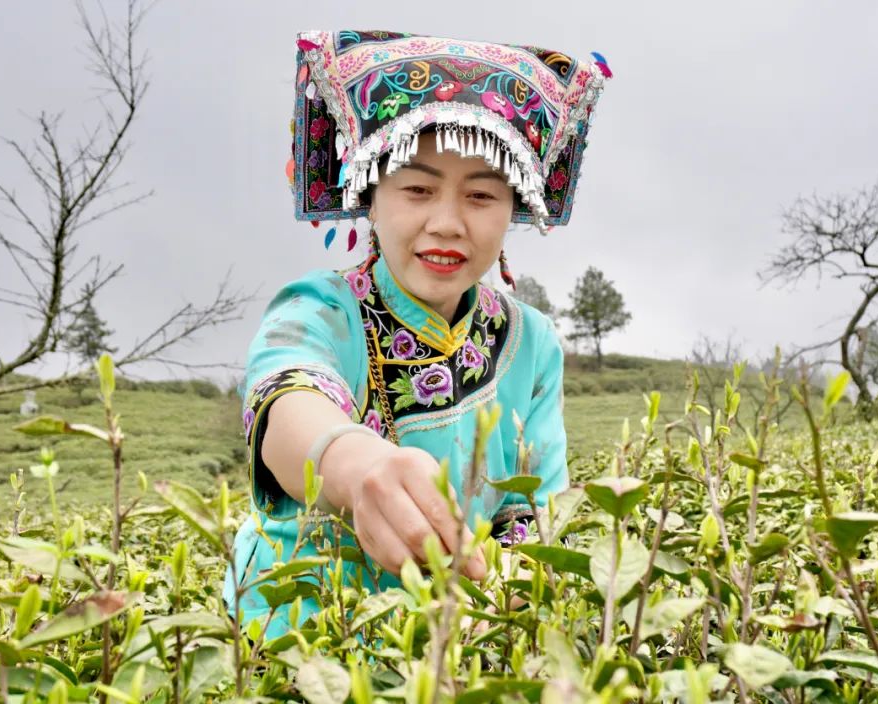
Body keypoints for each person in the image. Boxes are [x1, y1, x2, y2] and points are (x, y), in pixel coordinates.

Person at [224, 29, 610, 635]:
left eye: (482, 195)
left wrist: (506, 590)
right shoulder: (321, 310)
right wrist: (350, 463)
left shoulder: (531, 341)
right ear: (369, 197)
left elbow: (535, 512)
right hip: (298, 630)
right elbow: (285, 401)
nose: (448, 222)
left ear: (515, 207)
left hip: (454, 636)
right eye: (417, 189)